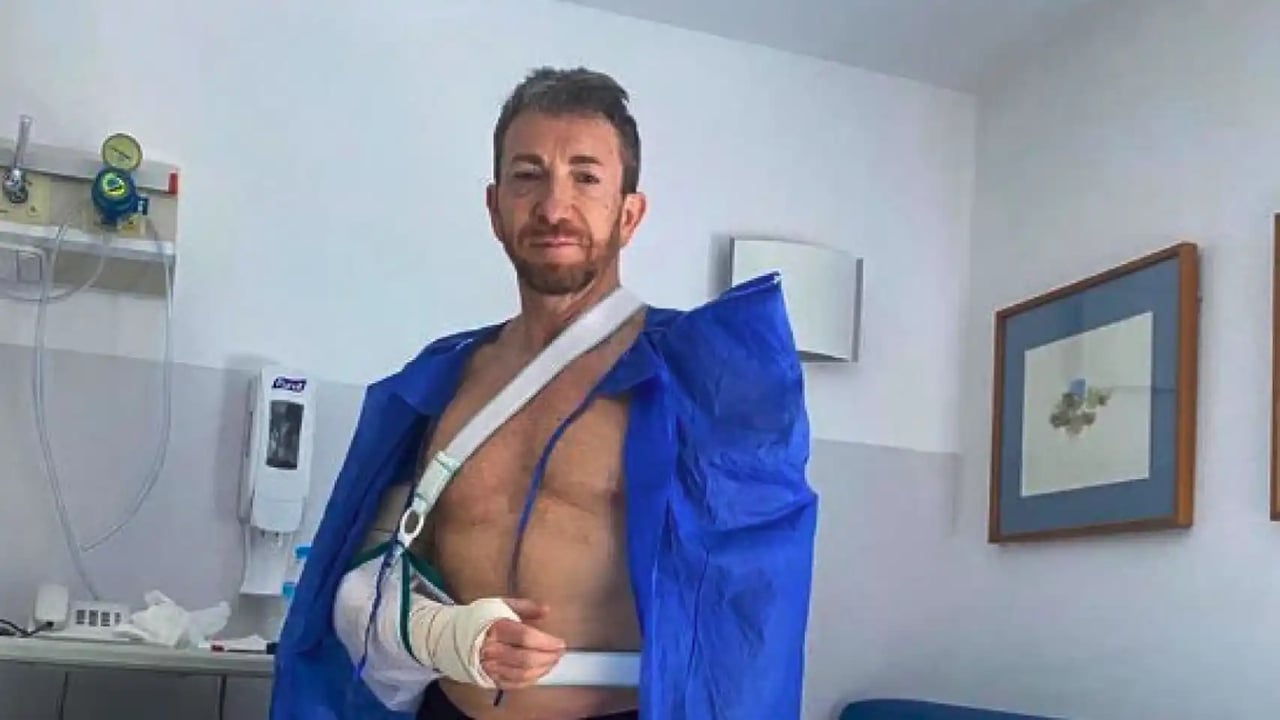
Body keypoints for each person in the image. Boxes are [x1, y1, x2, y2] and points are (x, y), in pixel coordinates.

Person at [270, 66, 818, 720]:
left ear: (629, 213)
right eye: (528, 176)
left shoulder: (697, 382)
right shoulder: (442, 383)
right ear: (494, 207)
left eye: (586, 178)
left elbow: (748, 623)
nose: (554, 208)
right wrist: (446, 635)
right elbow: (371, 575)